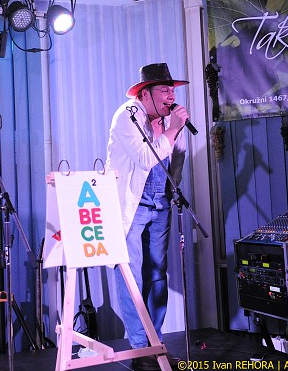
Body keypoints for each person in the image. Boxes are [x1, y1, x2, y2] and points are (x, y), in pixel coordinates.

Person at [106, 62, 190, 371]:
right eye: (165, 90)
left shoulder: (169, 121)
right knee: (131, 272)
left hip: (160, 202)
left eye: (172, 90)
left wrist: (171, 189)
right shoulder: (127, 115)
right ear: (145, 93)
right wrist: (171, 129)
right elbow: (144, 158)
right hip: (133, 203)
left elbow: (177, 158)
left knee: (157, 273)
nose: (171, 96)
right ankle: (140, 346)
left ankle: (156, 342)